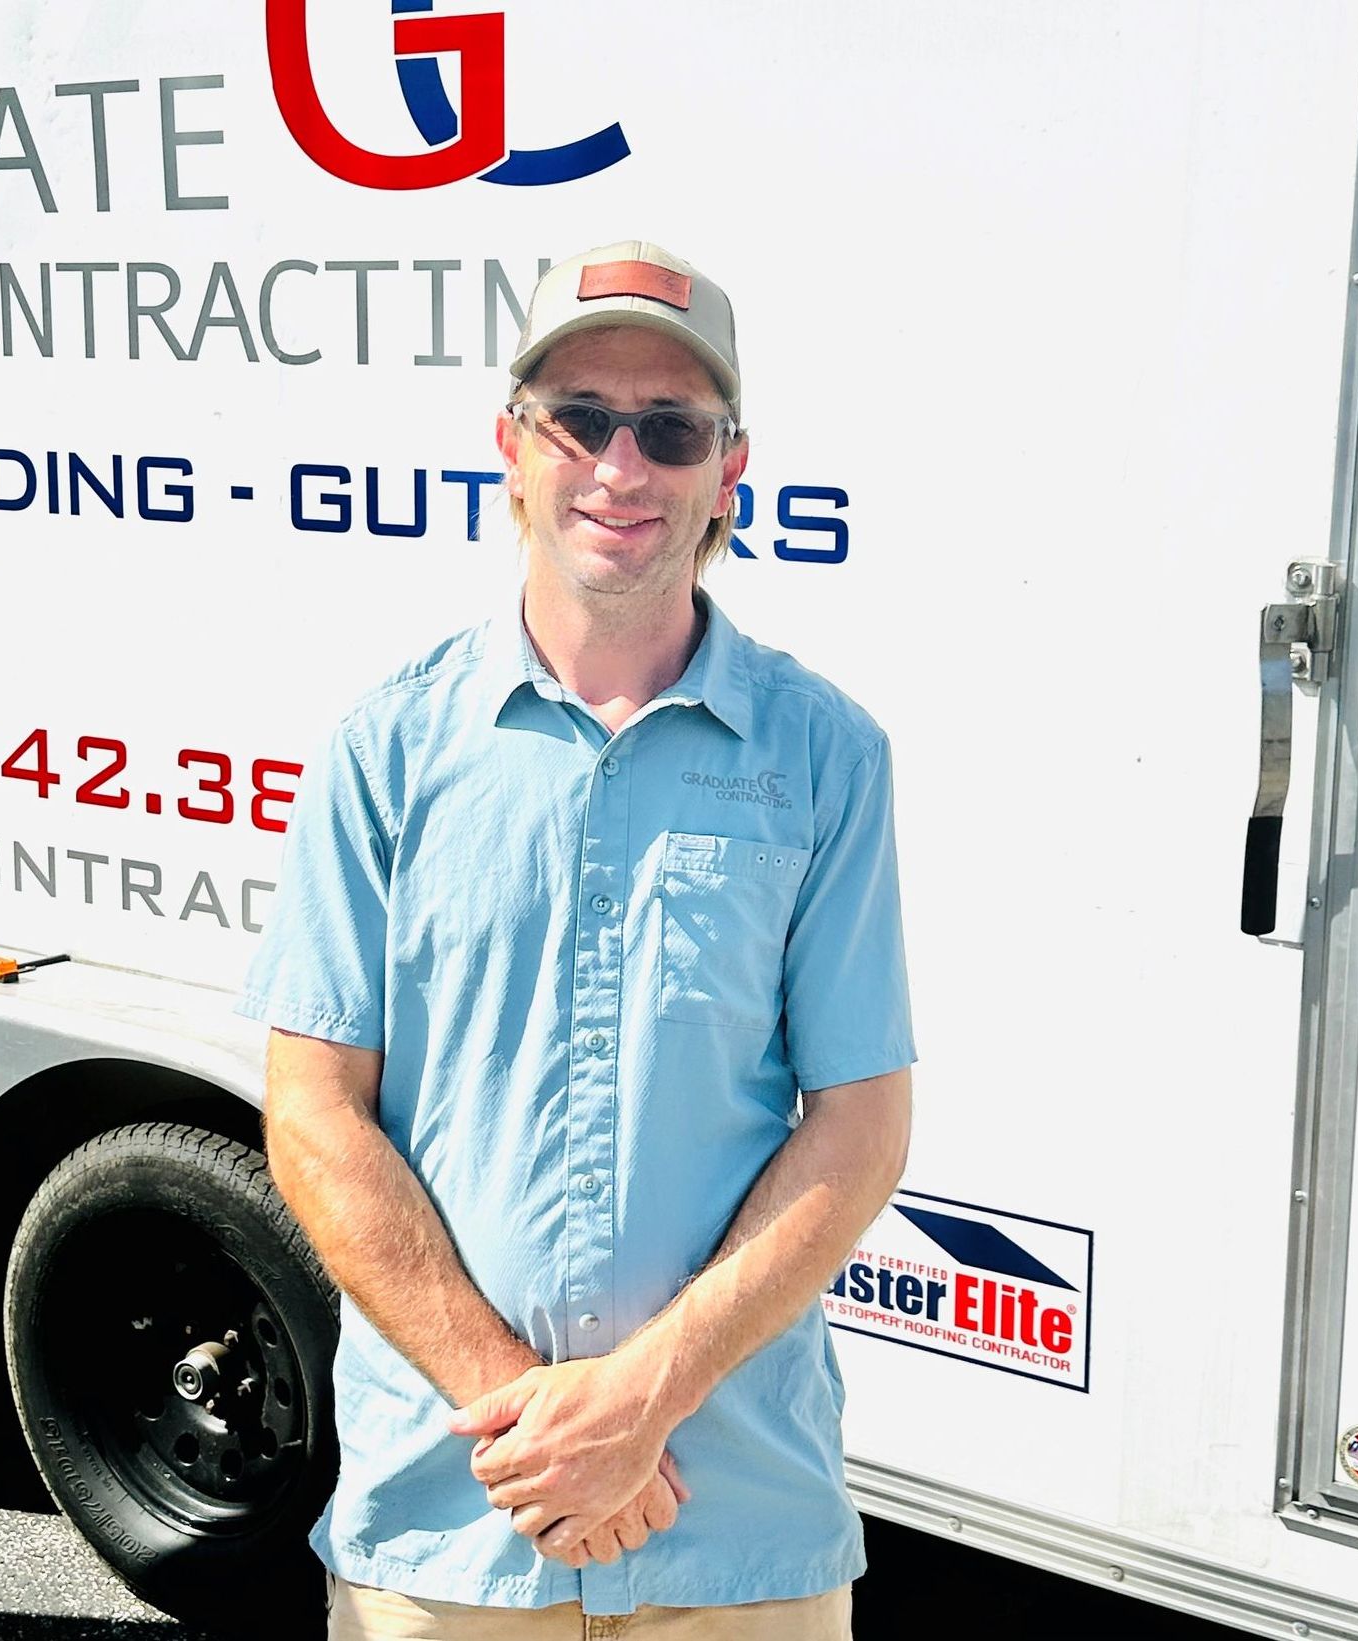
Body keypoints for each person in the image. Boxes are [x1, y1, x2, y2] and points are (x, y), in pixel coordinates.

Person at [238, 240, 916, 1640]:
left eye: (669, 429)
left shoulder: (825, 757)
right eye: (582, 417)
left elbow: (860, 1124)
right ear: (512, 443)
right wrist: (535, 1422)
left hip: (736, 1531)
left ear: (730, 470)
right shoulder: (387, 752)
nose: (622, 464)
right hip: (454, 1523)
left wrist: (641, 1397)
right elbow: (312, 1112)